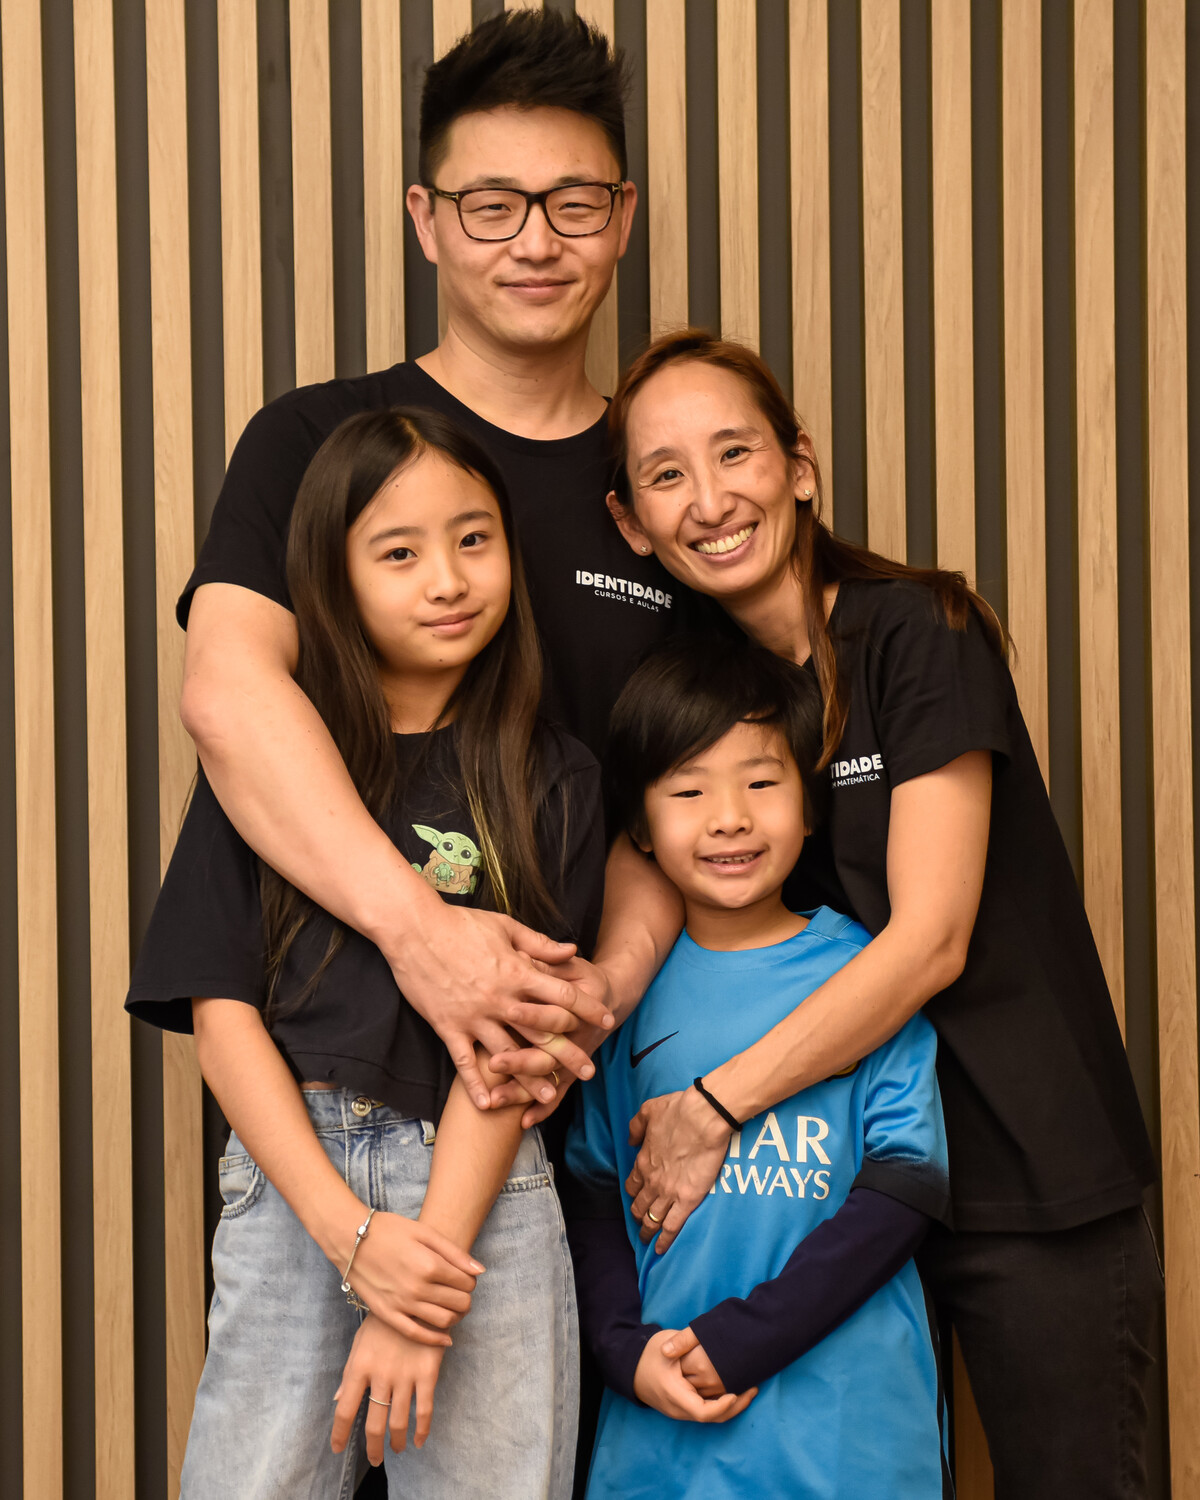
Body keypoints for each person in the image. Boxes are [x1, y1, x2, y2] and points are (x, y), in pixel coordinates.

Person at [590, 330, 1162, 1499]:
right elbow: (642, 875)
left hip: (1022, 1164)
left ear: (799, 465)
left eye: (735, 453)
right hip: (834, 1190)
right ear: (631, 523)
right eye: (666, 475)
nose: (711, 501)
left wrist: (710, 1105)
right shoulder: (711, 700)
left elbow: (931, 938)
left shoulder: (916, 631)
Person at [178, 9, 692, 1119]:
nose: (536, 243)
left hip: (595, 1099)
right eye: (491, 206)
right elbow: (227, 693)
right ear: (427, 219)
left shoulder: (669, 489)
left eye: (574, 204)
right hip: (336, 1109)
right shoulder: (316, 440)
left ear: (622, 217)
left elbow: (681, 797)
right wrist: (424, 936)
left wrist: (593, 997)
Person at [127, 408, 605, 1496]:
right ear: (332, 581)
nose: (448, 580)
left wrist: (418, 1293)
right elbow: (220, 1016)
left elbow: (516, 1052)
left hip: (481, 1197)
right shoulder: (277, 773)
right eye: (399, 553)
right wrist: (351, 1238)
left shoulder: (553, 778)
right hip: (296, 1184)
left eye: (474, 540)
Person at [564, 635, 952, 1499]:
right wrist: (625, 1352)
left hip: (846, 1441)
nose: (729, 818)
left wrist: (746, 1338)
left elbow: (905, 1190)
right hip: (661, 1440)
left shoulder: (867, 980)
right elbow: (590, 1193)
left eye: (762, 784)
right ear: (639, 827)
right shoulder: (625, 995)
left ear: (810, 805)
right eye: (689, 791)